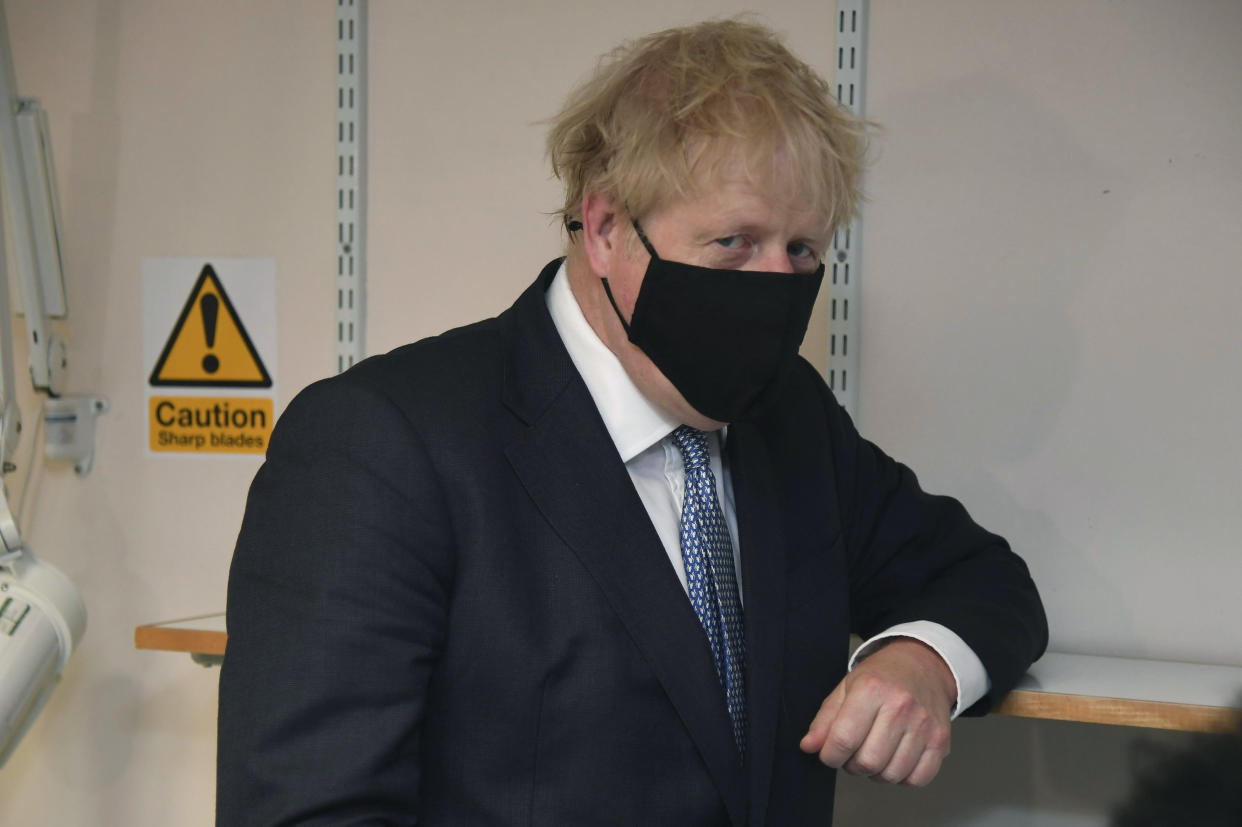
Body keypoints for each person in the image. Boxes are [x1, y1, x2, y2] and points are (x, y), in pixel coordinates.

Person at [217, 19, 1047, 826]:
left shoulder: (789, 418)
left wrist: (922, 661)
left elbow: (988, 582)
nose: (774, 285)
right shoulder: (382, 444)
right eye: (733, 242)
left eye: (800, 250)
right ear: (607, 227)